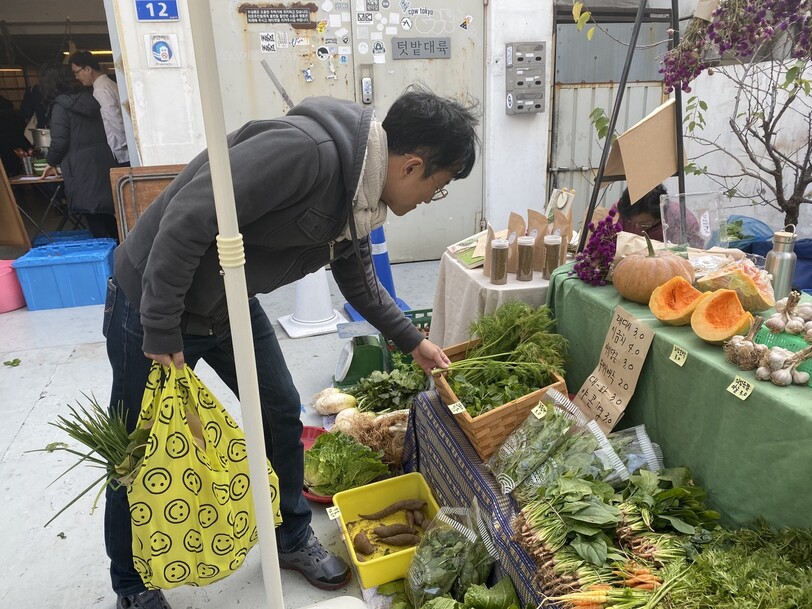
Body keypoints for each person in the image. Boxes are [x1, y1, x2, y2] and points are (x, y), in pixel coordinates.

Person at [103, 86, 480, 609]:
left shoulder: (362, 194)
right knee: (136, 448)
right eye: (437, 188)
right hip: (151, 297)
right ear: (413, 166)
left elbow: (358, 279)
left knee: (280, 411)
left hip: (229, 303)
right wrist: (161, 324)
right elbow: (188, 216)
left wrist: (412, 340)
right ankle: (132, 581)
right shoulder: (305, 153)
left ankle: (288, 536)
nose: (427, 203)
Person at [38, 62, 119, 240]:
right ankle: (121, 253)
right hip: (102, 161)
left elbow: (59, 141)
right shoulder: (89, 99)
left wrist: (51, 162)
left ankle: (108, 260)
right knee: (106, 214)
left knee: (93, 216)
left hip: (81, 167)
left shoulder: (60, 106)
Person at [69, 50, 130, 166]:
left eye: (77, 72)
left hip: (120, 152)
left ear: (88, 69)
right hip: (123, 150)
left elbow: (114, 118)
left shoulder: (101, 90)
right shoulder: (110, 84)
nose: (76, 77)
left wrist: (126, 143)